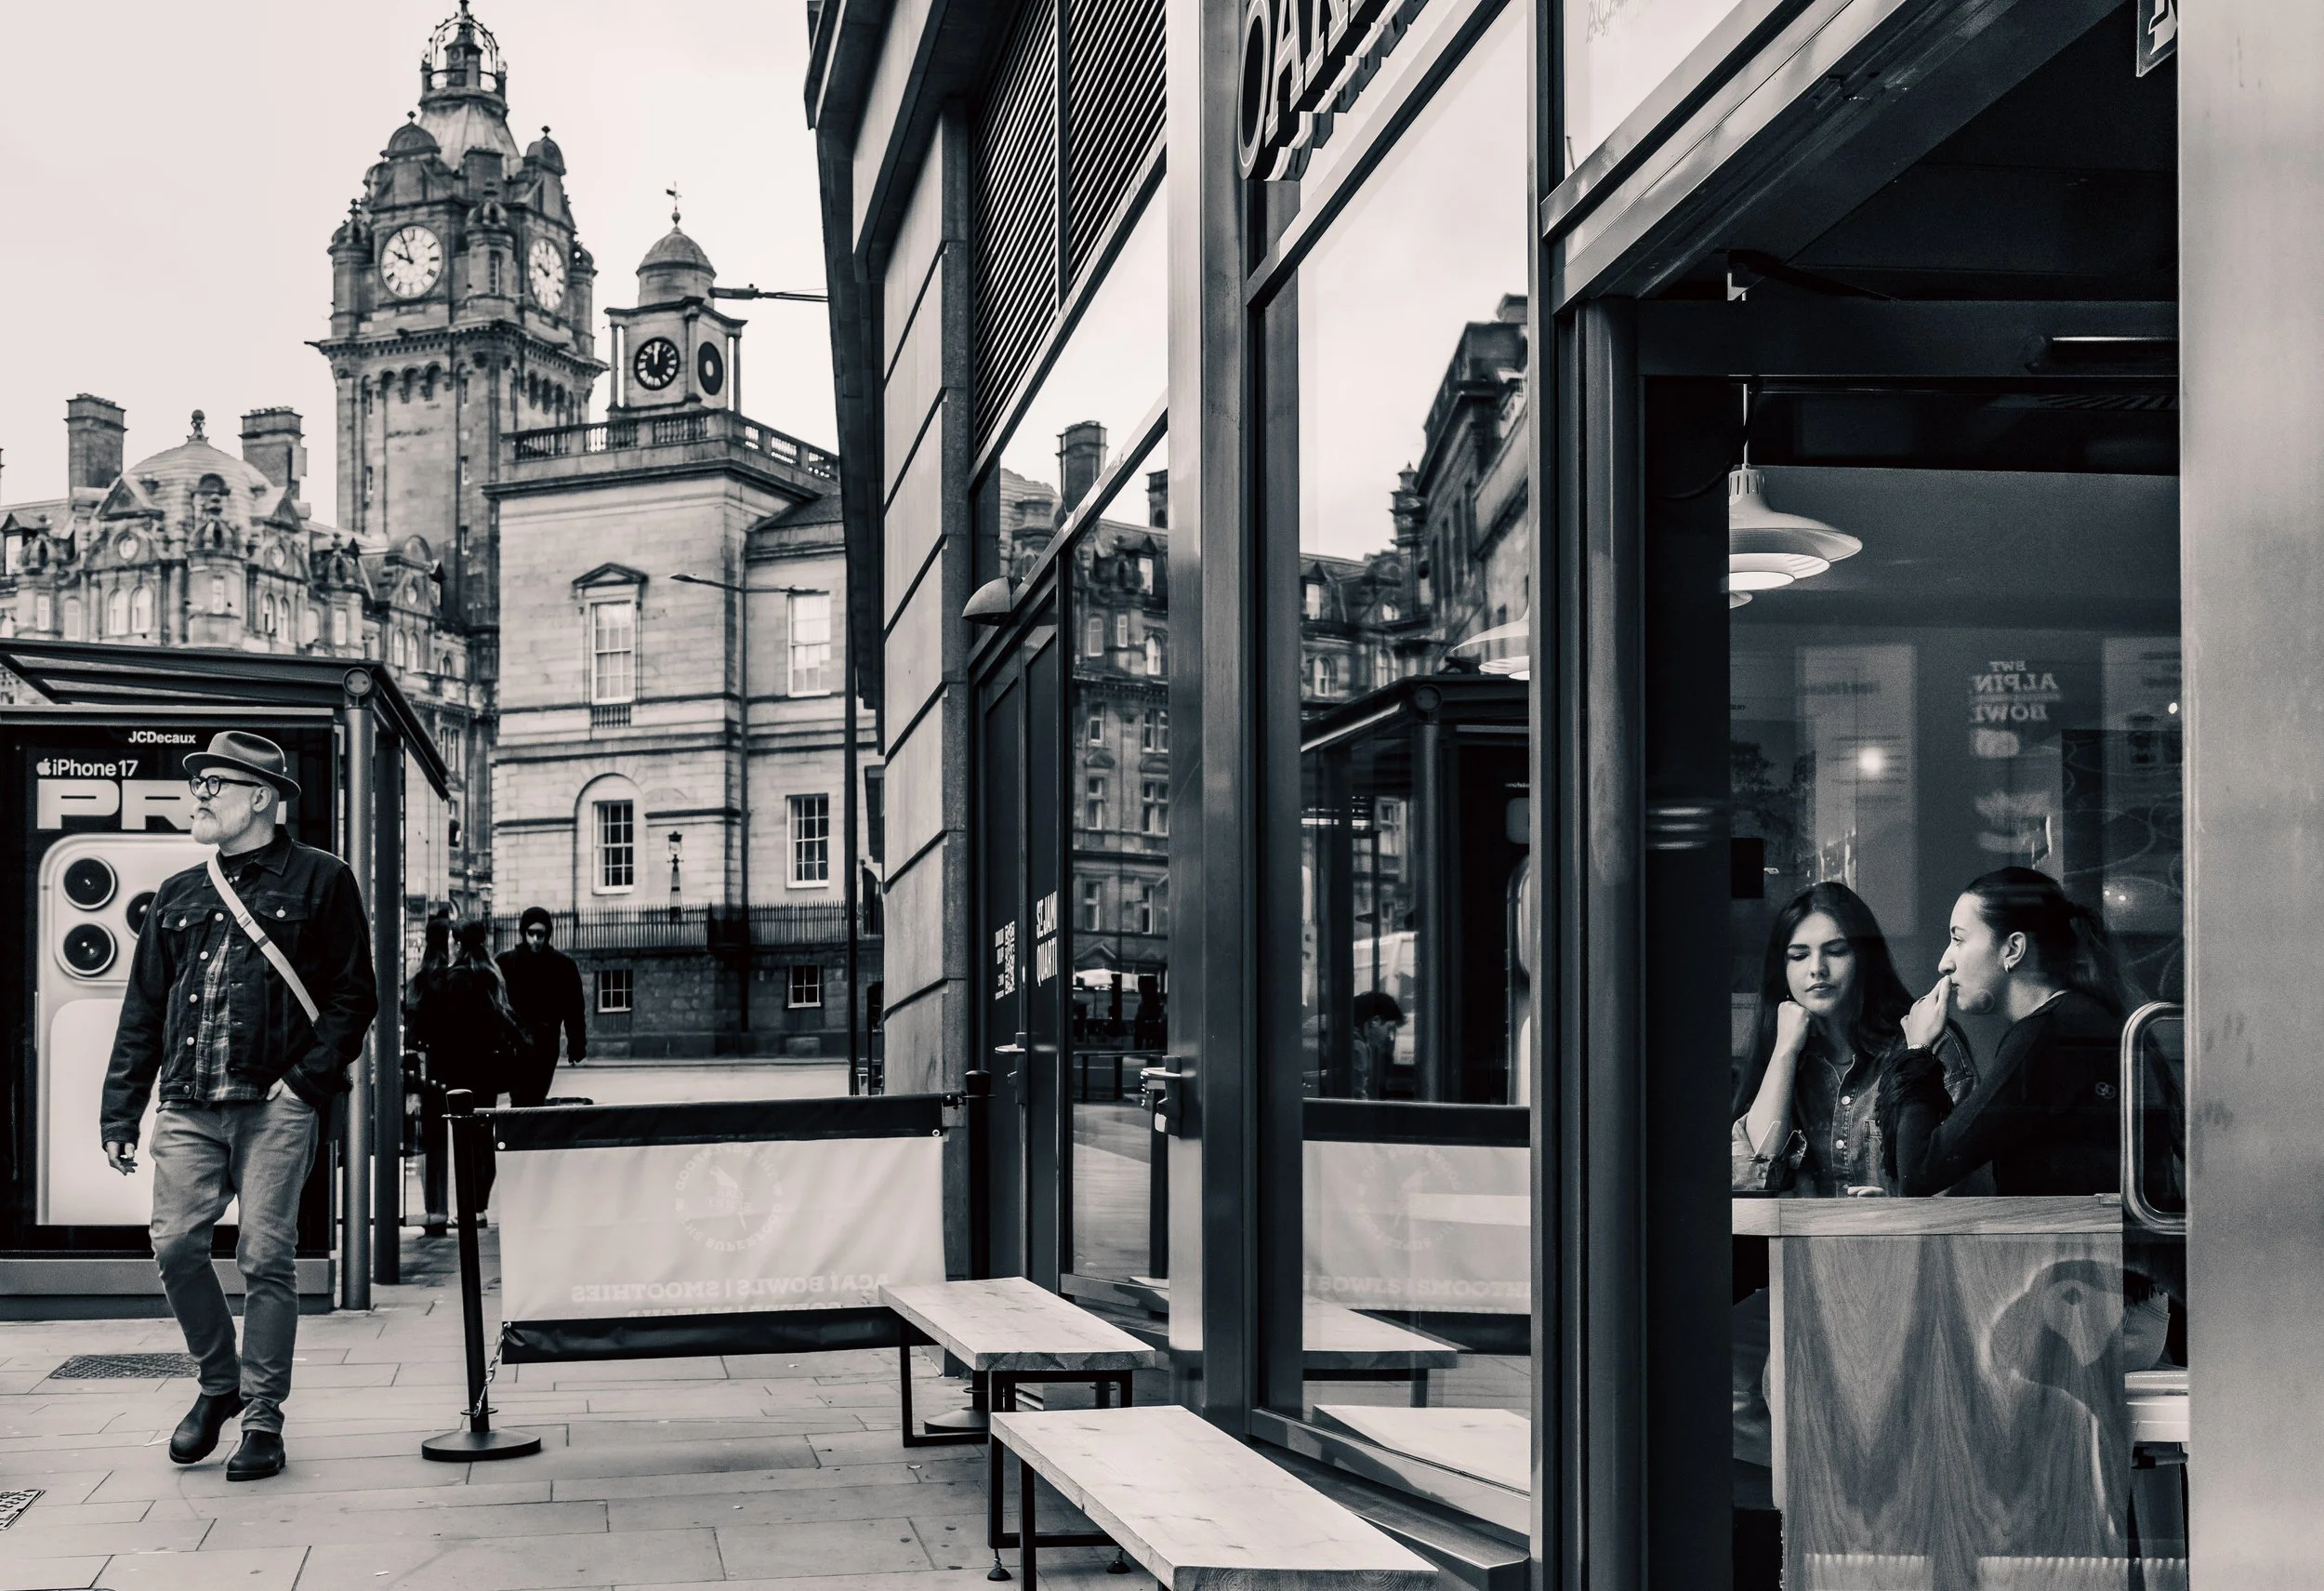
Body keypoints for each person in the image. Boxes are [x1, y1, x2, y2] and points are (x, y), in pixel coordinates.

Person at [99, 731, 378, 1482]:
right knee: (177, 1246)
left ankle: (261, 1416)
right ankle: (218, 1382)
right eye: (199, 785)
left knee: (264, 1256)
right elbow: (143, 1011)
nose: (198, 795)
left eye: (213, 784)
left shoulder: (323, 880)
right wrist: (120, 1111)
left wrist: (303, 1083)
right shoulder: (180, 894)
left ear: (261, 796)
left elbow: (357, 995)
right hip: (189, 1102)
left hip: (273, 1104)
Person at [1882, 867, 2133, 1198]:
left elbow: (1918, 1176)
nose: (1945, 962)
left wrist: (1918, 1050)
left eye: (1958, 939)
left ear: (2013, 949)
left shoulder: (2049, 1034)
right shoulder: (2069, 1020)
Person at [1730, 882, 1974, 1197]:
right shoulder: (1784, 1055)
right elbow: (1753, 1176)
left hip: (1910, 1244)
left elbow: (1966, 1180)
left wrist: (1898, 1211)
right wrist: (1784, 1052)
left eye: (1835, 951)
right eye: (1799, 955)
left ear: (1863, 960)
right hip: (1801, 1248)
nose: (1817, 969)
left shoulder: (1927, 1042)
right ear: (1783, 970)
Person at [497, 907, 586, 1107]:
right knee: (519, 1099)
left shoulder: (563, 966)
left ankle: (530, 1136)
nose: (536, 940)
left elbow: (574, 1008)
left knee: (536, 1097)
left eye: (541, 934)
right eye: (531, 934)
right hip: (515, 1043)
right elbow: (495, 1005)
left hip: (546, 1041)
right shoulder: (506, 963)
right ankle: (522, 1136)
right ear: (523, 933)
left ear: (548, 934)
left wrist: (577, 1043)